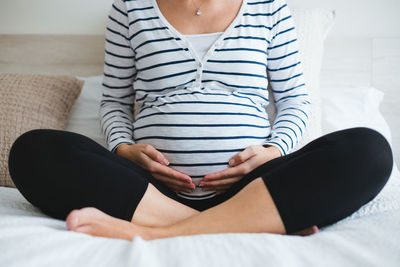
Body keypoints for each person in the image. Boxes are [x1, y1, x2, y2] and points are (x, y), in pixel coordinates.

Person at [8, 0, 393, 241]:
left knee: (369, 150)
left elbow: (294, 100)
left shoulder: (269, 8)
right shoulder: (130, 9)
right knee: (32, 149)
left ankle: (149, 232)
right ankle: (243, 222)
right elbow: (114, 102)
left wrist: (273, 150)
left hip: (253, 186)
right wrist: (125, 149)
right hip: (151, 190)